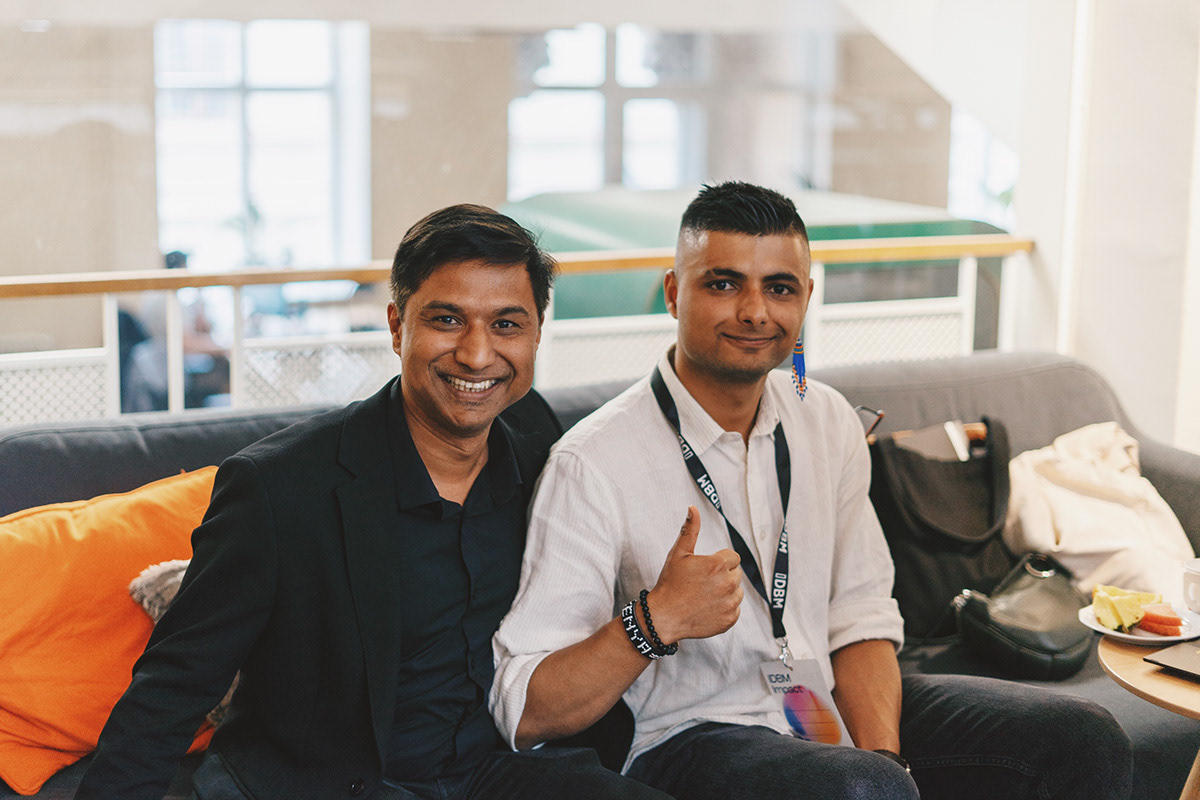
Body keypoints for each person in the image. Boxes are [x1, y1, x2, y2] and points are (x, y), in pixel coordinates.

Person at [491, 182, 1134, 800]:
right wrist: (654, 620)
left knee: (1083, 739)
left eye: (779, 288)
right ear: (673, 293)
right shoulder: (592, 462)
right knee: (861, 788)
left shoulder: (825, 420)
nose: (755, 311)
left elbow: (859, 614)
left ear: (806, 298)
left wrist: (884, 757)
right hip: (686, 734)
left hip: (817, 705)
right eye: (723, 284)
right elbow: (524, 709)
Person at [77, 205, 667, 800]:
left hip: (492, 772)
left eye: (507, 325)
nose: (477, 354)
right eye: (446, 320)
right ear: (396, 326)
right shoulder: (279, 487)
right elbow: (173, 686)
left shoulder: (538, 441)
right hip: (336, 783)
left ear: (537, 332)